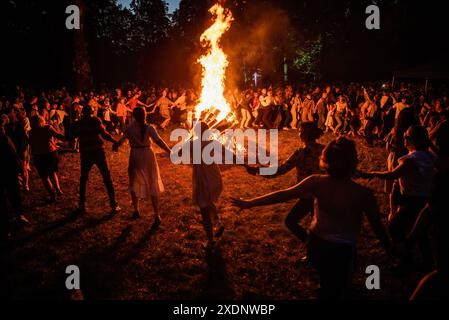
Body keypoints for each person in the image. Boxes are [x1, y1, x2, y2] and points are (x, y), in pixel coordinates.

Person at [232, 137, 393, 299]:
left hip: (317, 244)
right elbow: (377, 226)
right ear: (353, 161)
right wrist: (389, 248)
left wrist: (249, 203)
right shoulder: (363, 194)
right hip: (341, 249)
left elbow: (282, 195)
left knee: (327, 282)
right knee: (338, 287)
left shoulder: (316, 182)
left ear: (325, 160)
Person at [247, 122, 325, 243]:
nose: (299, 133)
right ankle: (316, 249)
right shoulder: (324, 150)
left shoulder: (300, 153)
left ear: (303, 135)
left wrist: (258, 169)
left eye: (300, 131)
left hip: (307, 196)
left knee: (291, 222)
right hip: (323, 194)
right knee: (317, 225)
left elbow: (279, 170)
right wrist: (363, 174)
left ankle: (313, 248)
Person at [114, 108, 171, 227]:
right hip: (147, 154)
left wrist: (117, 144)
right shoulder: (149, 127)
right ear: (144, 115)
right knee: (152, 180)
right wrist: (169, 151)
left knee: (134, 180)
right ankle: (156, 215)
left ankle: (136, 210)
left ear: (134, 116)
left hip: (135, 154)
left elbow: (123, 139)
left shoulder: (130, 128)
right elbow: (158, 141)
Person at [72, 106, 121, 215]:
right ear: (92, 112)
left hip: (86, 153)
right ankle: (113, 204)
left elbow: (73, 134)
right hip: (98, 152)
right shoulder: (95, 120)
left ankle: (82, 205)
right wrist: (114, 141)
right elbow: (104, 134)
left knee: (83, 179)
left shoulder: (79, 123)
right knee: (106, 177)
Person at [1, 116, 29, 240]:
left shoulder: (6, 137)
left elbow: (14, 154)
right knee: (9, 196)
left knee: (14, 195)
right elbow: (12, 155)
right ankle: (6, 226)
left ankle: (18, 216)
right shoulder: (3, 138)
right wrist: (19, 169)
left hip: (10, 171)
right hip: (7, 171)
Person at [29, 115, 65, 202]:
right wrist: (68, 136)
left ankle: (52, 195)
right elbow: (58, 135)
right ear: (42, 120)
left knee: (44, 177)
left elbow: (30, 144)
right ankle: (58, 189)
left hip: (39, 155)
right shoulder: (47, 128)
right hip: (50, 153)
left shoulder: (31, 132)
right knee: (53, 173)